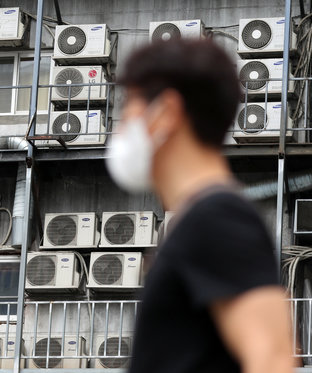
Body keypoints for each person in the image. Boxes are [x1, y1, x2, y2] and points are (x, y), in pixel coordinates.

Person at [105, 39, 294, 373]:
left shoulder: (219, 219)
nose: (119, 129)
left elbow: (273, 360)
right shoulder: (200, 219)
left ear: (166, 113)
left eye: (127, 110)